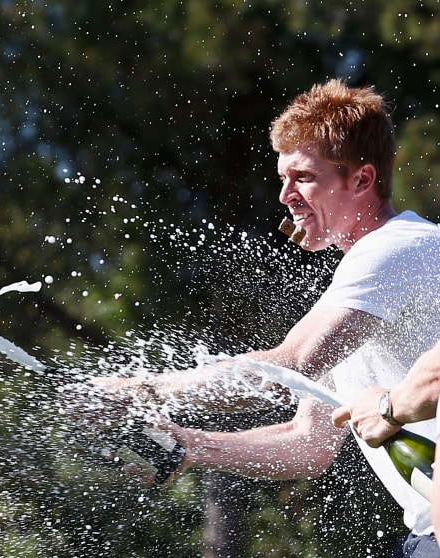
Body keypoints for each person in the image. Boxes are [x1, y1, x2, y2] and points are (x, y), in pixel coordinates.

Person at [90, 79, 440, 557]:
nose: (285, 195)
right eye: (282, 178)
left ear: (362, 180)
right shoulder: (361, 289)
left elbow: (288, 369)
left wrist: (145, 391)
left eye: (304, 177)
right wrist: (192, 445)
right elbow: (308, 443)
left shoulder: (393, 249)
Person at [332, 339, 440, 539]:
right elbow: (306, 436)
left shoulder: (328, 331)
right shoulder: (328, 349)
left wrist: (385, 408)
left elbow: (300, 356)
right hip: (424, 530)